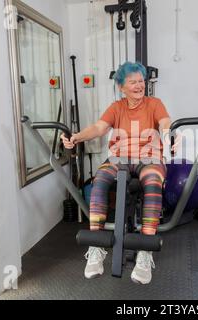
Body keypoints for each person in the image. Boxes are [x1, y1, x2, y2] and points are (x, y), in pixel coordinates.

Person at [61, 61, 176, 285]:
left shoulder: (155, 103)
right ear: (122, 87)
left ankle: (145, 251)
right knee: (99, 180)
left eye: (141, 81)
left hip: (149, 157)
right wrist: (76, 137)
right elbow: (98, 128)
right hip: (119, 158)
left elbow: (165, 122)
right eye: (133, 82)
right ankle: (96, 248)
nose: (139, 85)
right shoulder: (116, 107)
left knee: (153, 181)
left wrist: (169, 136)